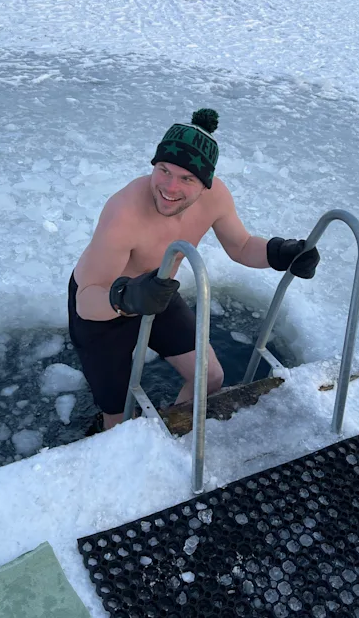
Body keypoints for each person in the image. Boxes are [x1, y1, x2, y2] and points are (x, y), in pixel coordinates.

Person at [68, 109, 321, 431]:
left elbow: (241, 246)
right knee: (118, 416)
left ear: (205, 184)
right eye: (164, 170)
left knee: (209, 378)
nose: (169, 187)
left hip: (157, 290)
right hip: (106, 304)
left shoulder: (216, 199)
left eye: (186, 178)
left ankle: (174, 430)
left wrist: (280, 254)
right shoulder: (124, 214)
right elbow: (86, 302)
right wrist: (128, 299)